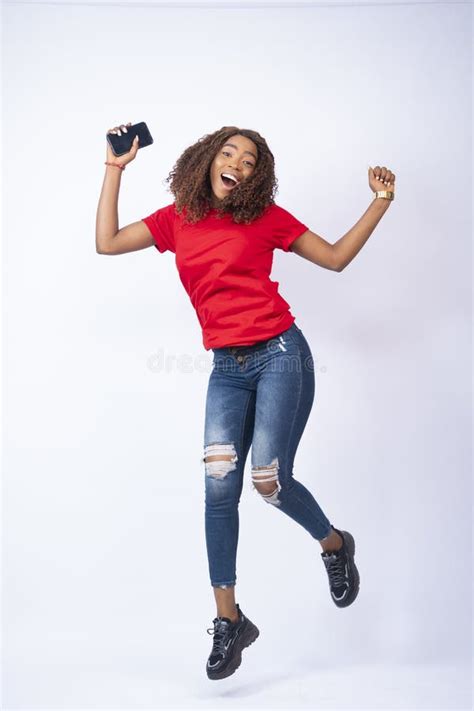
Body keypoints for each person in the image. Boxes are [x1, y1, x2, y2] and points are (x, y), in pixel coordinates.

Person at [96, 122, 395, 680]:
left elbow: (333, 258)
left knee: (269, 480)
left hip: (280, 353)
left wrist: (380, 201)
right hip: (226, 369)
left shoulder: (265, 219)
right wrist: (115, 169)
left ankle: (334, 544)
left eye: (250, 159)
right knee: (217, 488)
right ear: (209, 160)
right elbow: (107, 242)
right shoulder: (175, 219)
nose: (237, 162)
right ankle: (230, 622)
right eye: (229, 152)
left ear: (258, 175)